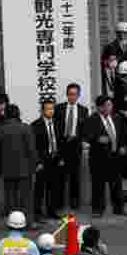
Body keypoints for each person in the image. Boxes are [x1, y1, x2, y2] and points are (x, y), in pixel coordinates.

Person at [83, 95, 127, 217]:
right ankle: (97, 209)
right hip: (99, 158)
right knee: (98, 185)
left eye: (111, 105)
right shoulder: (92, 120)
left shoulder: (116, 117)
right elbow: (86, 136)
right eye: (107, 105)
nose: (110, 107)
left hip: (115, 157)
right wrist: (97, 139)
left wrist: (123, 146)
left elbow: (122, 134)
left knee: (116, 184)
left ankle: (119, 208)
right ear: (100, 107)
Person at [0, 103, 37, 220]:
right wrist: (34, 166)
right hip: (25, 170)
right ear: (18, 114)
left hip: (7, 171)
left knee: (10, 199)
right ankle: (28, 222)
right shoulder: (26, 128)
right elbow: (31, 150)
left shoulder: (0, 130)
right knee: (26, 199)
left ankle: (13, 222)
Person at [54, 84, 89, 212]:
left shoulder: (83, 110)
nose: (72, 97)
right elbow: (55, 127)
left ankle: (74, 201)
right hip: (62, 145)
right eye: (70, 94)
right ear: (66, 94)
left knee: (75, 175)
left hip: (75, 145)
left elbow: (85, 129)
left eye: (74, 94)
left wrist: (83, 141)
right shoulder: (59, 108)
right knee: (60, 176)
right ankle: (59, 202)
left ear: (78, 95)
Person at [31, 99, 65, 220]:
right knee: (40, 188)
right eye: (48, 109)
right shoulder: (35, 125)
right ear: (42, 111)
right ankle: (38, 213)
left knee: (54, 187)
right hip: (43, 161)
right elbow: (33, 146)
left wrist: (61, 157)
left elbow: (61, 141)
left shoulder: (58, 123)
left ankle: (52, 211)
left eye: (52, 109)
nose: (51, 111)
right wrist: (38, 162)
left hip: (55, 159)